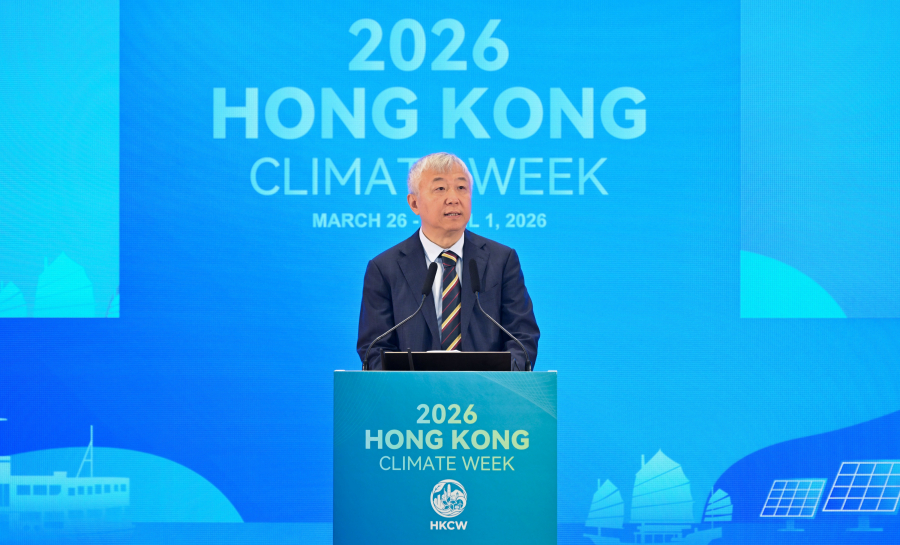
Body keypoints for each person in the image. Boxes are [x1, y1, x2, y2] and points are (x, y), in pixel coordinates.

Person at [356, 152, 539, 370]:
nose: (453, 198)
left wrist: (501, 382)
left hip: (487, 389)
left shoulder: (502, 260)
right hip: (411, 390)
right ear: (414, 203)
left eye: (461, 188)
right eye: (440, 188)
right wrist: (404, 387)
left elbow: (522, 336)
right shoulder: (384, 268)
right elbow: (375, 348)